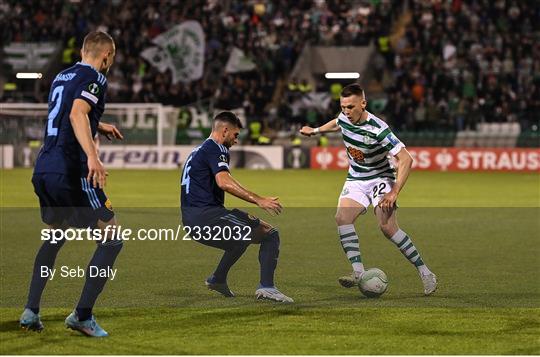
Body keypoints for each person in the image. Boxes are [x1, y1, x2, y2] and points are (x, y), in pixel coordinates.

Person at [19, 31, 124, 337]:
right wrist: (92, 156)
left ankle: (30, 311)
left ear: (82, 50)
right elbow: (78, 112)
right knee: (113, 238)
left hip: (44, 170)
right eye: (112, 58)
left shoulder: (61, 76)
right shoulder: (97, 79)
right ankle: (82, 315)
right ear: (105, 56)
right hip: (72, 170)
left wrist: (97, 125)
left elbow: (65, 112)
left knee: (55, 237)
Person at [300, 83, 437, 295]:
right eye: (343, 106)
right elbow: (337, 122)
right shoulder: (345, 116)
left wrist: (394, 192)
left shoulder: (378, 129)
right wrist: (315, 131)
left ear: (363, 104)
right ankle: (357, 272)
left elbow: (406, 159)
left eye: (351, 107)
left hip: (380, 178)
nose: (346, 111)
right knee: (342, 218)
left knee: (387, 228)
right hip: (356, 178)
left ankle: (425, 272)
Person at [181, 111, 293, 303]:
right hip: (208, 217)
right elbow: (224, 182)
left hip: (192, 220)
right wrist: (259, 199)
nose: (236, 140)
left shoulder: (198, 150)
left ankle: (218, 279)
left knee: (240, 238)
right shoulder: (217, 149)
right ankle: (267, 288)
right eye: (235, 135)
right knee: (270, 234)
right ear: (225, 130)